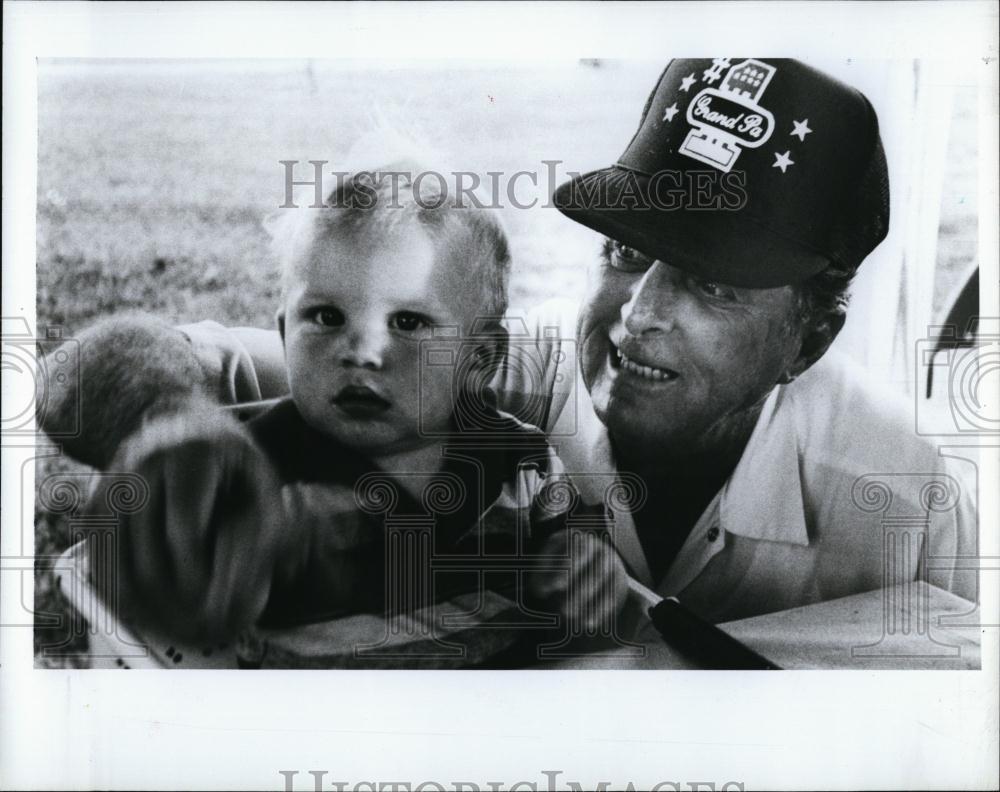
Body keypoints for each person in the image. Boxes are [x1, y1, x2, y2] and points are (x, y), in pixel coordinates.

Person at [41, 58, 975, 654]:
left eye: (714, 283)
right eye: (624, 250)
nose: (637, 313)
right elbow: (110, 374)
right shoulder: (478, 369)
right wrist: (172, 429)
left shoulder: (914, 508)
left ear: (810, 336)